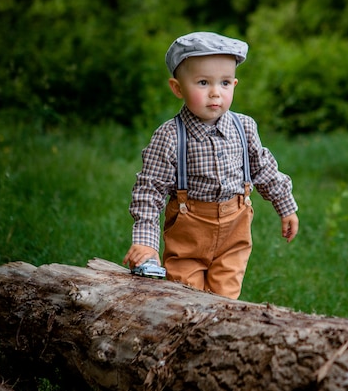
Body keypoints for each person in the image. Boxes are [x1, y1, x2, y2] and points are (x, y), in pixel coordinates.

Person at [123, 32, 299, 299]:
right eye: (203, 82)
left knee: (225, 300)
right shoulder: (171, 136)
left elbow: (263, 169)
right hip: (189, 235)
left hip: (234, 232)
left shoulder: (245, 127)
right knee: (185, 298)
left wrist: (285, 206)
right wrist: (145, 244)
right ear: (178, 88)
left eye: (225, 83)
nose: (216, 92)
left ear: (235, 84)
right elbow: (150, 191)